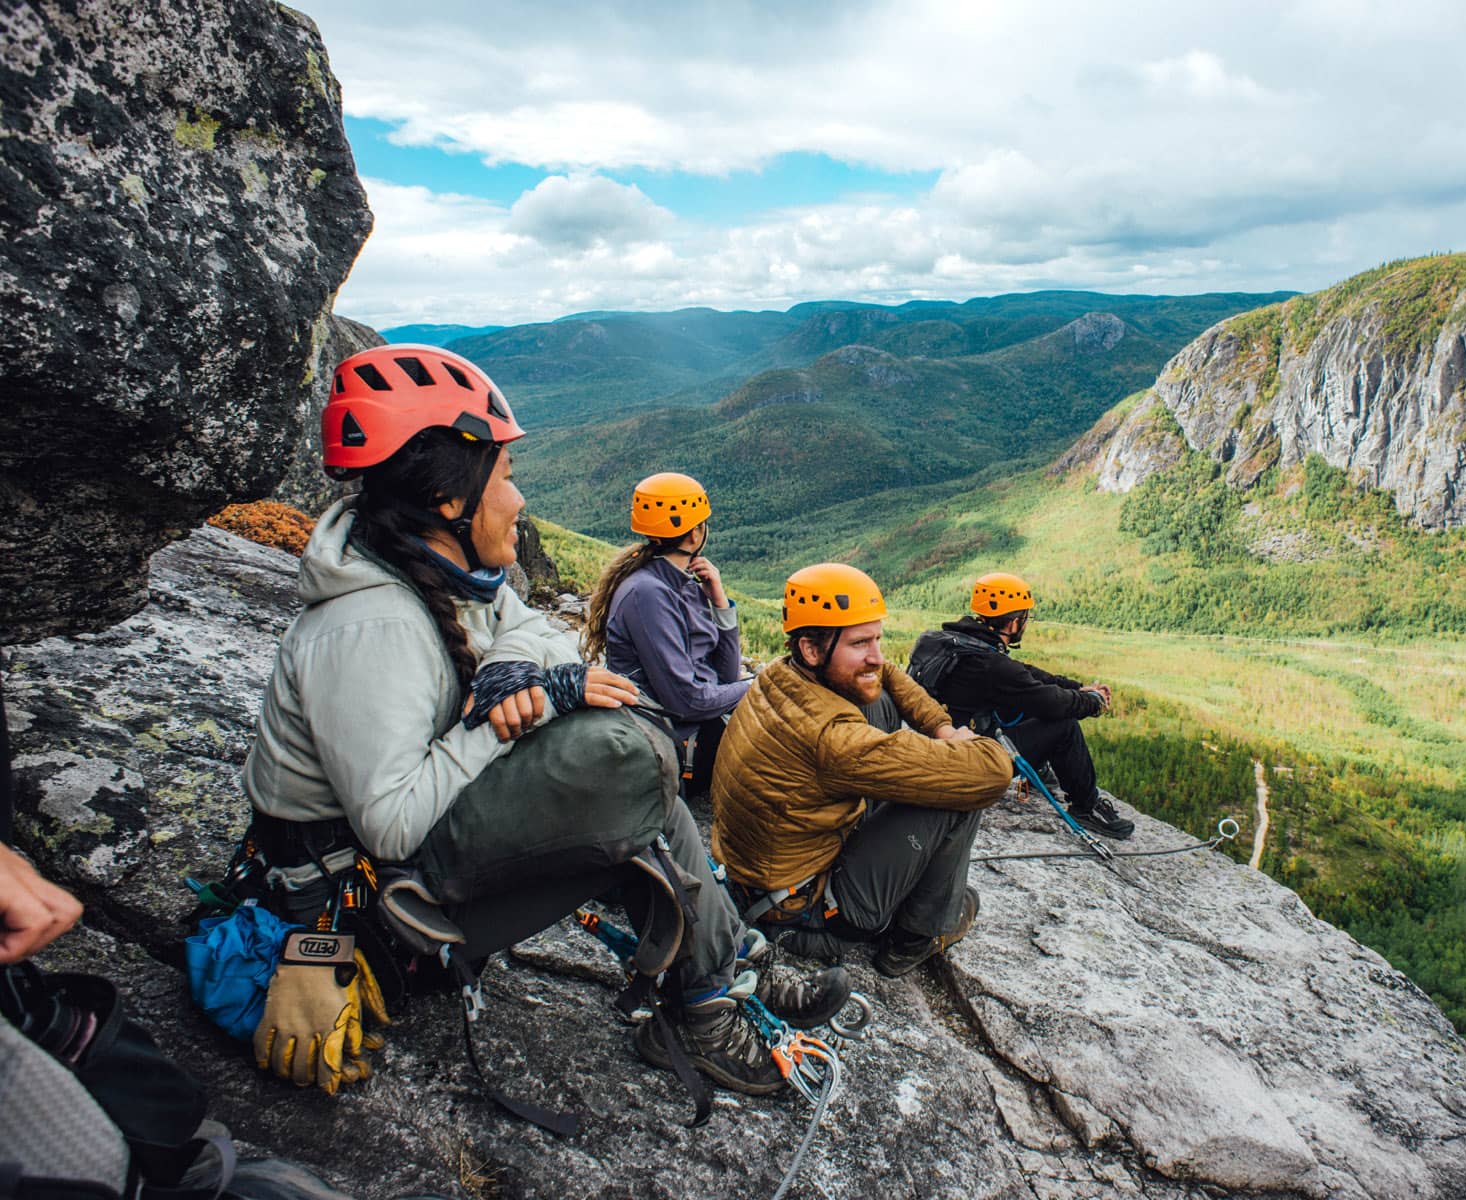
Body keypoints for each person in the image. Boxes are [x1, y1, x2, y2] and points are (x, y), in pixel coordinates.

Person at [237, 344, 846, 1100]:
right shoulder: (372, 628)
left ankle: (723, 971)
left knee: (627, 771)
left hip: (413, 861)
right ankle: (709, 996)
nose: (519, 500)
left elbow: (531, 625)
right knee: (620, 764)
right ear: (449, 500)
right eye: (507, 477)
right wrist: (503, 721)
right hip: (374, 907)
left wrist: (508, 672)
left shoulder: (434, 569)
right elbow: (390, 822)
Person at [709, 563, 1014, 978]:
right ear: (812, 648)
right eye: (860, 643)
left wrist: (939, 726)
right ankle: (914, 938)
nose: (876, 654)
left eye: (878, 639)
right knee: (960, 784)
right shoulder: (834, 739)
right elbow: (993, 773)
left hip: (762, 879)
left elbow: (883, 673)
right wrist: (958, 742)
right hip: (812, 915)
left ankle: (902, 887)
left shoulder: (782, 675)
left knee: (874, 696)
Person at [908, 572, 1135, 840]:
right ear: (1015, 623)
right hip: (966, 764)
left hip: (939, 747)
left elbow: (1025, 675)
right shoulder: (991, 665)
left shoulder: (957, 643)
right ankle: (1085, 807)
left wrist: (1076, 687)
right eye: (1026, 618)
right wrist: (1092, 703)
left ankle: (1037, 770)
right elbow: (1052, 704)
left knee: (1018, 705)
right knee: (1063, 727)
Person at [581, 472, 749, 798]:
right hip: (677, 742)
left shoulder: (683, 583)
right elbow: (686, 701)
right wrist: (756, 688)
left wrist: (719, 601)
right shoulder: (648, 594)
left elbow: (725, 675)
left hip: (696, 729)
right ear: (694, 535)